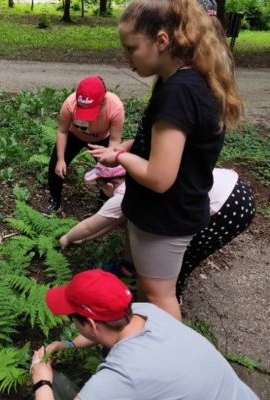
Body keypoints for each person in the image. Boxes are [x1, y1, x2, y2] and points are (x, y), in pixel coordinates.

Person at [87, 0, 244, 320]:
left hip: (166, 216)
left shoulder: (180, 92)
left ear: (162, 40)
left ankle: (169, 361)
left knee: (160, 297)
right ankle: (153, 349)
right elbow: (158, 144)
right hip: (165, 212)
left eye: (131, 48)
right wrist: (129, 149)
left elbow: (159, 176)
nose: (125, 58)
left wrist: (120, 156)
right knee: (150, 291)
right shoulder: (182, 80)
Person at [30, 270, 259, 400]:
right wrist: (68, 344)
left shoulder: (123, 375)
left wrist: (41, 380)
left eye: (73, 317)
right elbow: (103, 333)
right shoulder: (144, 312)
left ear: (90, 323)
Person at [59, 164, 255, 300]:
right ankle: (132, 271)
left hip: (228, 207)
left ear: (111, 185)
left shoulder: (125, 194)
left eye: (99, 186)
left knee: (178, 259)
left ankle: (164, 306)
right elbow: (114, 221)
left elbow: (89, 225)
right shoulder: (140, 174)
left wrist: (67, 237)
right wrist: (85, 239)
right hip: (233, 185)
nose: (100, 190)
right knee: (142, 226)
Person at [41, 76, 124, 216]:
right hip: (74, 136)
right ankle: (55, 201)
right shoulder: (70, 103)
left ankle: (104, 201)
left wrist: (108, 159)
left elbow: (115, 141)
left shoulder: (115, 107)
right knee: (55, 165)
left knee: (109, 170)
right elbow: (62, 131)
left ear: (103, 100)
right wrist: (61, 159)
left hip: (102, 140)